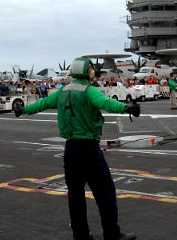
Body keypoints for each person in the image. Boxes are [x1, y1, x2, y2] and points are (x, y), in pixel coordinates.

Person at [14, 57, 139, 240]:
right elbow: (106, 103)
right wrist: (126, 107)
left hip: (70, 150)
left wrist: (22, 110)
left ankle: (80, 236)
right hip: (89, 149)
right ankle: (112, 234)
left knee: (75, 196)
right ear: (89, 72)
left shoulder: (62, 91)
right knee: (105, 193)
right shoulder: (89, 91)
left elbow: (41, 104)